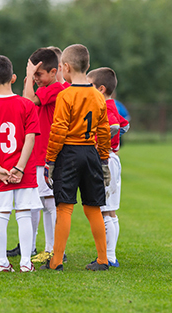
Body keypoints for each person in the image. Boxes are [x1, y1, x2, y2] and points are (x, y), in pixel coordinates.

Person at [40, 44, 111, 271]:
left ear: (66, 68)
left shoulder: (65, 95)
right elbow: (104, 130)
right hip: (90, 153)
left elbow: (58, 129)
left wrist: (50, 160)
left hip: (69, 153)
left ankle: (56, 261)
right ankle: (103, 259)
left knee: (64, 207)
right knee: (93, 208)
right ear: (88, 66)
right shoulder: (98, 96)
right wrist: (104, 160)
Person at [0, 55, 41, 273]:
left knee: (1, 215)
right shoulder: (26, 105)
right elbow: (30, 138)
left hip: (0, 170)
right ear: (13, 78)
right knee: (23, 215)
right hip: (25, 171)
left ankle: (2, 262)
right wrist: (20, 168)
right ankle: (25, 262)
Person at [9, 48, 65, 263]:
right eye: (34, 75)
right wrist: (32, 77)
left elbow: (26, 101)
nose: (36, 79)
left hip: (46, 154)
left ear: (53, 72)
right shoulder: (47, 87)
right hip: (37, 154)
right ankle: (30, 246)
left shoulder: (54, 88)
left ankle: (52, 248)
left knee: (49, 202)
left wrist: (28, 78)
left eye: (39, 75)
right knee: (35, 201)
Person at [87, 67, 130, 268]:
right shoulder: (112, 105)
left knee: (104, 210)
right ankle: (111, 256)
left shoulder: (104, 107)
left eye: (90, 86)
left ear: (101, 89)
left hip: (105, 160)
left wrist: (104, 138)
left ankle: (109, 257)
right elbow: (124, 124)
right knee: (111, 211)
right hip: (113, 160)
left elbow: (113, 126)